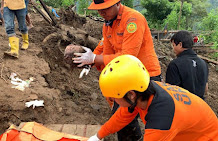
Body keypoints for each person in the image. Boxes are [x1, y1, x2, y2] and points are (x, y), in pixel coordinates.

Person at [73, 0, 161, 140]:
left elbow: (127, 57)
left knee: (151, 117)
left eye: (105, 8)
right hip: (125, 76)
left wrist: (94, 58)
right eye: (99, 9)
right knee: (123, 117)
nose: (102, 13)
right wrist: (91, 62)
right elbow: (105, 50)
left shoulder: (133, 19)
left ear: (118, 3)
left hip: (145, 75)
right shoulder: (108, 24)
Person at [88, 55, 218, 141]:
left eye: (113, 98)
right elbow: (121, 117)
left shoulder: (160, 120)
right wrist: (97, 136)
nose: (112, 101)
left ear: (131, 94)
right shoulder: (144, 92)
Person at [166, 31, 209, 99]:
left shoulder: (175, 64)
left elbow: (171, 92)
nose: (173, 49)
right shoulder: (203, 63)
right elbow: (205, 89)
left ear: (180, 44)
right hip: (199, 105)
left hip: (183, 106)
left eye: (173, 45)